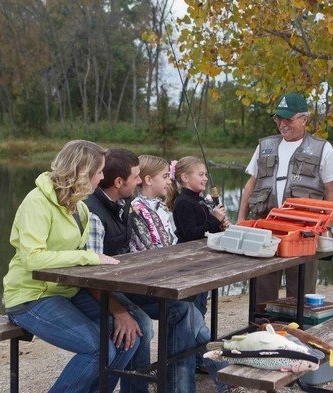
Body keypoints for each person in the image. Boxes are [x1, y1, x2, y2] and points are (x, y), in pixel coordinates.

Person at [2, 140, 139, 393]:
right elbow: (33, 259)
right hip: (31, 297)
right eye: (99, 172)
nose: (102, 177)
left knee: (128, 336)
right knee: (98, 348)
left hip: (66, 292)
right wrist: (88, 257)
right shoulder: (36, 203)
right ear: (83, 173)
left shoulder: (81, 208)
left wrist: (119, 309)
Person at [85, 149, 197, 393]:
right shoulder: (94, 214)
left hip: (123, 286)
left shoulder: (123, 204)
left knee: (182, 309)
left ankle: (177, 387)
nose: (138, 181)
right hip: (100, 292)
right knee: (142, 325)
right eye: (136, 177)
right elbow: (89, 277)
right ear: (118, 182)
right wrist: (119, 309)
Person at [129, 154, 242, 393]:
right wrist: (213, 221)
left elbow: (171, 242)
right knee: (192, 318)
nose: (167, 182)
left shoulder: (162, 207)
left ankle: (215, 372)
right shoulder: (143, 208)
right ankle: (222, 372)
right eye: (163, 177)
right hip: (156, 281)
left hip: (183, 271)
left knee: (194, 317)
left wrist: (217, 222)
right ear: (148, 180)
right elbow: (184, 238)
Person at [237, 92, 333, 312]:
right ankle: (261, 329)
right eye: (278, 118)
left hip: (305, 231)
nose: (282, 123)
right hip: (266, 229)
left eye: (288, 118)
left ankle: (299, 337)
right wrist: (240, 219)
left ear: (304, 119)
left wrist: (327, 228)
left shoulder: (322, 148)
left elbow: (330, 190)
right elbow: (250, 185)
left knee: (301, 293)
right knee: (262, 290)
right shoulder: (265, 145)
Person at [167, 156, 230, 316]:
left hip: (203, 260)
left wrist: (220, 225)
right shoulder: (184, 202)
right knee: (193, 307)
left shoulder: (199, 200)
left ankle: (198, 338)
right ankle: (193, 339)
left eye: (205, 175)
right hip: (190, 261)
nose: (205, 178)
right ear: (185, 178)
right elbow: (191, 234)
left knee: (201, 306)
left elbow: (207, 229)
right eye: (201, 174)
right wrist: (214, 219)